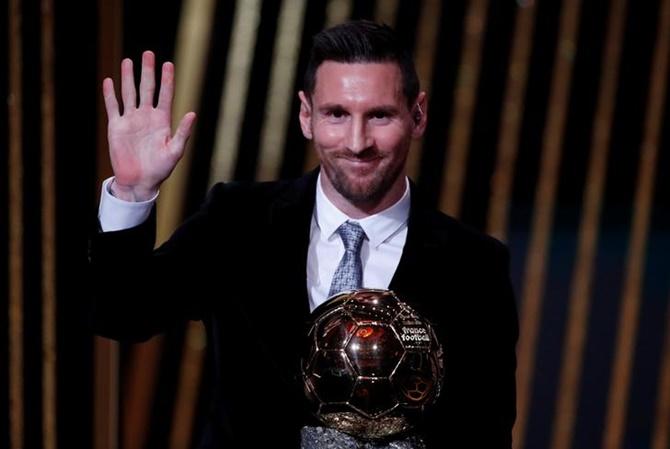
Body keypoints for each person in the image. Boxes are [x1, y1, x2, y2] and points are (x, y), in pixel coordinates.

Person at [90, 20, 518, 448]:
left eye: (380, 115)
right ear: (305, 115)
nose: (356, 142)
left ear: (418, 115)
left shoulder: (474, 265)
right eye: (336, 114)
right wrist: (132, 191)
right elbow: (123, 313)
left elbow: (485, 431)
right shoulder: (237, 220)